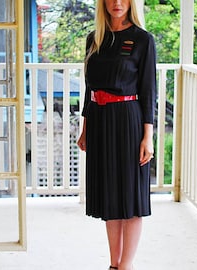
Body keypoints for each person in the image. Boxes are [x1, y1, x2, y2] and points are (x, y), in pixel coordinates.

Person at [77, 0, 156, 268]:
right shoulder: (95, 39)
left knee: (131, 196)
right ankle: (114, 263)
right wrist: (85, 129)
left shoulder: (143, 40)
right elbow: (89, 89)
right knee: (111, 196)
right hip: (100, 122)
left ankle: (126, 265)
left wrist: (148, 136)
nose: (116, 3)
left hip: (129, 122)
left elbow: (148, 91)